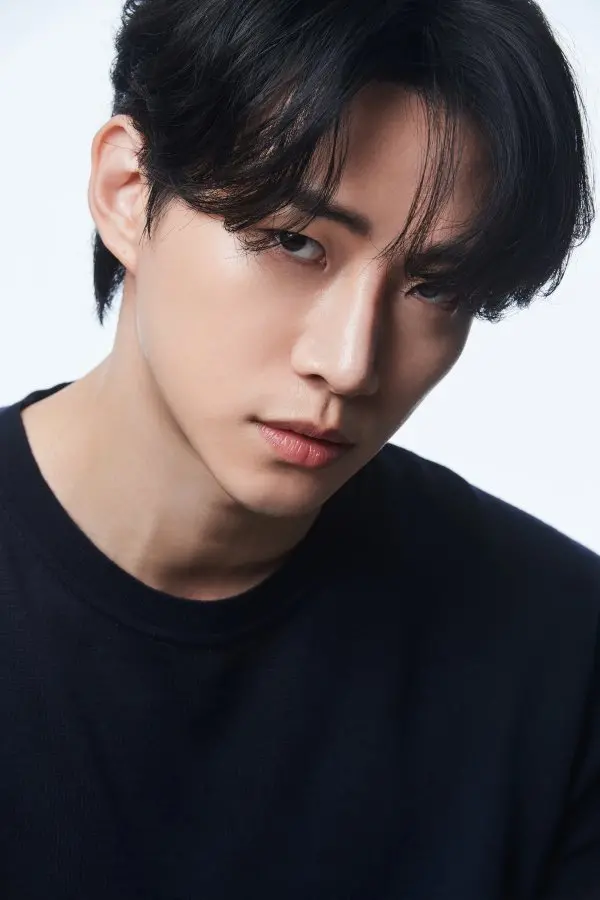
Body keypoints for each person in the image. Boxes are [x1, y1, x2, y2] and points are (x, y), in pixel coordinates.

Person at [0, 0, 598, 896]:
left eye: (434, 288)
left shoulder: (564, 654)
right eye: (294, 242)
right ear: (129, 192)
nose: (350, 363)